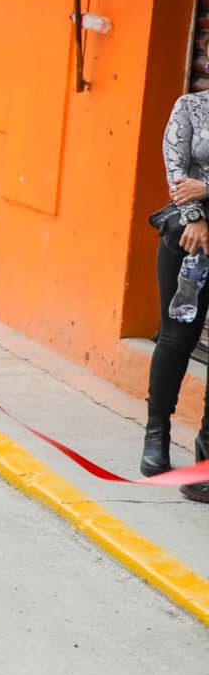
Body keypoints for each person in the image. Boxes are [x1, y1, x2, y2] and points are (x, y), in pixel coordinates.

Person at [145, 89, 209, 495]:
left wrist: (207, 187)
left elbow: (196, 182)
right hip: (188, 237)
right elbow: (177, 172)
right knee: (176, 336)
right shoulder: (190, 105)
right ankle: (157, 434)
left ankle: (206, 455)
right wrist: (197, 216)